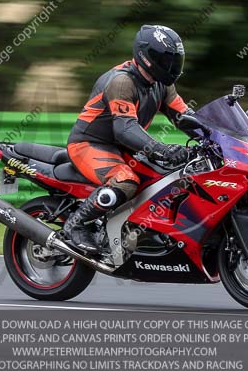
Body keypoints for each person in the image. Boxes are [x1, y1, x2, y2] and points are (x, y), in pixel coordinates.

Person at [63, 24, 195, 253]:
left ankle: (137, 232)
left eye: (175, 60)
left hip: (123, 148)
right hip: (90, 144)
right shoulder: (122, 82)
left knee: (166, 176)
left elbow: (185, 117)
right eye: (165, 59)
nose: (171, 66)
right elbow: (124, 129)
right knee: (126, 180)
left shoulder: (162, 84)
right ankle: (76, 225)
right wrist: (162, 149)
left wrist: (220, 134)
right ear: (147, 56)